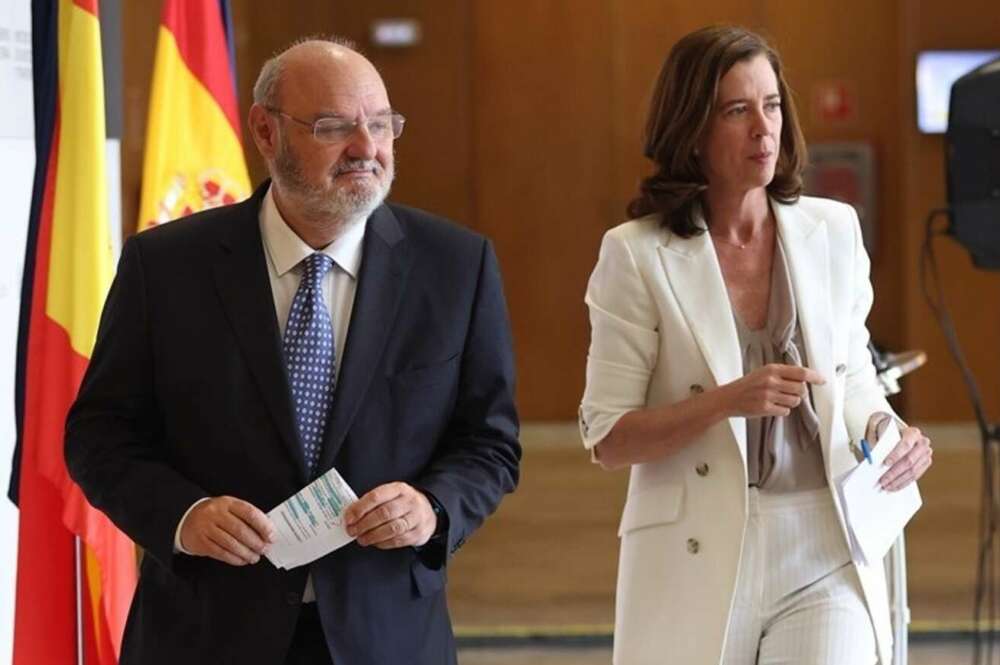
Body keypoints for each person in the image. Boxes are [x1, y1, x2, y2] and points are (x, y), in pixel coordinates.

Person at [65, 37, 520, 665]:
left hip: (383, 635)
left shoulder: (456, 266)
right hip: (204, 634)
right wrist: (182, 514)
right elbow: (99, 434)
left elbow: (491, 442)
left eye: (382, 124)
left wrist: (434, 508)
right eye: (335, 127)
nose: (368, 149)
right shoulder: (165, 267)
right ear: (264, 132)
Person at [579, 25, 932, 665]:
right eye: (736, 111)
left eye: (771, 106)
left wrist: (887, 425)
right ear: (691, 129)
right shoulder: (634, 254)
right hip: (696, 544)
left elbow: (852, 379)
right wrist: (724, 402)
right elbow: (609, 438)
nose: (763, 130)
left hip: (825, 538)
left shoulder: (834, 229)